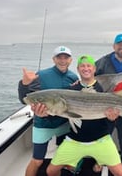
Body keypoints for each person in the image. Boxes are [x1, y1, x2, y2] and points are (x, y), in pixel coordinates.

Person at [46, 55, 122, 176]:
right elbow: (59, 114)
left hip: (101, 139)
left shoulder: (103, 89)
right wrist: (45, 114)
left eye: (88, 65)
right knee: (51, 171)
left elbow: (109, 122)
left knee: (121, 173)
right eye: (82, 66)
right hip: (75, 141)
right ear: (78, 69)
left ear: (94, 69)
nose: (86, 68)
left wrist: (112, 119)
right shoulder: (71, 89)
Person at [18, 46, 78, 176]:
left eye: (66, 57)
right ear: (53, 59)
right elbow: (25, 99)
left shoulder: (73, 77)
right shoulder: (42, 75)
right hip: (43, 124)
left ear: (71, 60)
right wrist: (23, 84)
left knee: (63, 159)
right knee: (37, 160)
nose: (62, 60)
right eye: (59, 57)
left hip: (64, 124)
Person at [95, 33, 122, 174]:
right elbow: (91, 79)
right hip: (106, 105)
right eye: (119, 44)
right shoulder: (102, 62)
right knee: (102, 134)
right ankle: (100, 160)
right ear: (114, 46)